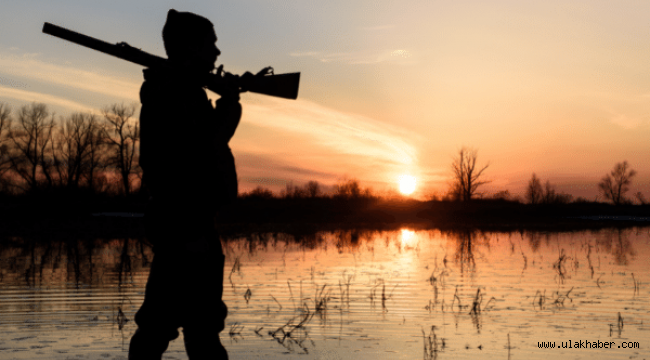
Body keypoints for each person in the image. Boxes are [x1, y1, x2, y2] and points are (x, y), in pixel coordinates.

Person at [129, 9, 241, 359]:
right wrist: (231, 103)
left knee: (179, 326)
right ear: (192, 49)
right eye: (211, 45)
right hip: (185, 222)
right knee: (192, 329)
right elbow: (207, 144)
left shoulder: (180, 90)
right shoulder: (173, 92)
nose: (216, 54)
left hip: (189, 222)